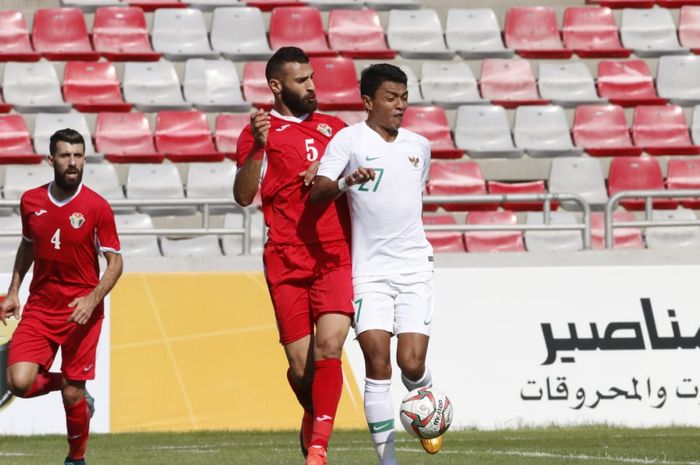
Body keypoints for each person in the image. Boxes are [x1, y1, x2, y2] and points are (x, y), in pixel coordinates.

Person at [310, 64, 440, 465]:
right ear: (368, 101)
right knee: (377, 362)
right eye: (390, 98)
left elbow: (410, 198)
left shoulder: (419, 145)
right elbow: (317, 193)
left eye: (403, 97)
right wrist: (348, 181)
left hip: (415, 266)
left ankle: (428, 409)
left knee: (411, 363)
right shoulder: (348, 141)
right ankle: (388, 462)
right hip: (369, 272)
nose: (400, 105)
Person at [233, 46, 354, 465]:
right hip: (284, 258)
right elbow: (243, 196)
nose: (312, 86)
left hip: (333, 254)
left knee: (331, 347)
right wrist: (257, 150)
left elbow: (365, 173)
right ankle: (311, 411)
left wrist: (328, 165)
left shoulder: (337, 129)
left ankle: (318, 448)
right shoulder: (258, 133)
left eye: (312, 77)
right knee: (304, 370)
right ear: (276, 86)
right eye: (302, 80)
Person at [0, 128, 122, 465]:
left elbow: (116, 262)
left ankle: (76, 459)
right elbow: (28, 245)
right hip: (41, 307)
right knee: (20, 383)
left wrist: (92, 299)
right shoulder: (31, 201)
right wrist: (13, 291)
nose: (73, 163)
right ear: (50, 159)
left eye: (79, 155)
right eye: (66, 155)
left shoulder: (97, 207)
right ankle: (75, 387)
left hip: (81, 312)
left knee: (72, 393)